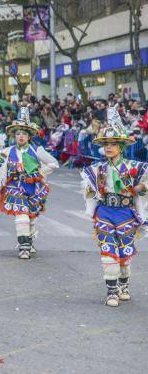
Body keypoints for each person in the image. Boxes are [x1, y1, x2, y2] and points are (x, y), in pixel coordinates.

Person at [80, 107, 148, 307]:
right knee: (108, 251)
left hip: (126, 213)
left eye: (113, 144)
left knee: (125, 253)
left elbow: (147, 183)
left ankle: (123, 285)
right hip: (105, 213)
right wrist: (92, 190)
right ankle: (111, 292)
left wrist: (141, 187)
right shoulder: (97, 168)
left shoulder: (135, 167)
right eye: (106, 144)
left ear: (121, 147)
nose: (109, 147)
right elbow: (88, 190)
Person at [0, 108, 59, 259]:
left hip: (33, 187)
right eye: (18, 134)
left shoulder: (37, 150)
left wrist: (39, 173)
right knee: (21, 217)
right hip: (15, 186)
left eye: (24, 134)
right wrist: (1, 176)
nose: (21, 136)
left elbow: (54, 164)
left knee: (31, 218)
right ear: (14, 136)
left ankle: (29, 240)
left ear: (29, 136)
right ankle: (24, 247)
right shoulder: (7, 151)